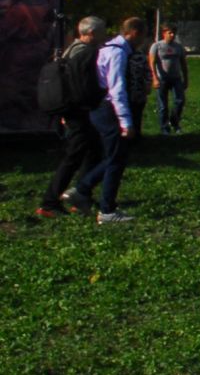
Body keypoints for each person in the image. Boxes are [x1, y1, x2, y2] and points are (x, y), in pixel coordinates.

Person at [70, 16, 142, 223]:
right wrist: (126, 122)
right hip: (108, 108)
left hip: (99, 107)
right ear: (135, 33)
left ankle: (82, 190)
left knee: (115, 156)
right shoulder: (117, 53)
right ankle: (107, 210)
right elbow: (117, 89)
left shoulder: (110, 49)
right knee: (116, 158)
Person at [36, 16, 107, 218]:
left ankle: (81, 195)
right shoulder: (85, 53)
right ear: (92, 33)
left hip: (71, 110)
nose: (105, 35)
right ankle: (50, 202)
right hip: (79, 111)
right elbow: (84, 87)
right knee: (74, 155)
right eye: (102, 32)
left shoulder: (72, 50)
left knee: (92, 150)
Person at [150, 25, 189, 134]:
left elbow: (183, 64)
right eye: (170, 33)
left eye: (173, 33)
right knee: (163, 105)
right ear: (164, 33)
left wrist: (186, 79)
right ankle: (164, 127)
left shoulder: (178, 47)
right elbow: (151, 63)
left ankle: (174, 122)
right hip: (162, 79)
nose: (172, 35)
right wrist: (155, 78)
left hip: (176, 78)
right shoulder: (157, 46)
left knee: (180, 100)